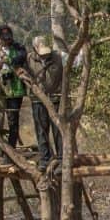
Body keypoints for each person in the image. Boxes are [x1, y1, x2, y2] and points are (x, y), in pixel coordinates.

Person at [0, 25, 27, 147]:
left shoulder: (18, 48)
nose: (8, 40)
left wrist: (5, 59)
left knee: (13, 119)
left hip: (15, 89)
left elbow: (20, 58)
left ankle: (11, 147)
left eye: (9, 37)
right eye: (5, 38)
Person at [26, 35, 63, 171]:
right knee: (41, 130)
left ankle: (61, 159)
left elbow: (76, 60)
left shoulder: (58, 57)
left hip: (55, 99)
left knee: (58, 130)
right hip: (38, 99)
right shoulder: (29, 59)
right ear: (35, 49)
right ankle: (45, 158)